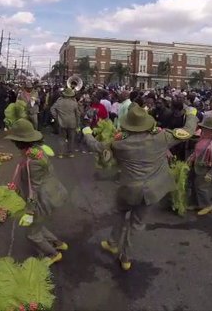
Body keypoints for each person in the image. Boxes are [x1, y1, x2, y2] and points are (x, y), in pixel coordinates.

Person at [82, 104, 197, 271]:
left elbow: (97, 147)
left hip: (128, 189)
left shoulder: (119, 143)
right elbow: (188, 131)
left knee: (120, 212)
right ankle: (126, 258)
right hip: (152, 190)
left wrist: (87, 133)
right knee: (136, 224)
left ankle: (113, 243)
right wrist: (192, 114)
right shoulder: (162, 137)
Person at [6, 119, 69, 265]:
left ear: (17, 142)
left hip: (43, 198)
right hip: (54, 191)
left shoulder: (31, 161)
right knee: (37, 224)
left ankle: (53, 254)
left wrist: (29, 211)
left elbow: (33, 187)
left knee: (32, 234)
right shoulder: (37, 151)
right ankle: (58, 243)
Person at [188, 116, 212, 215]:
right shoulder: (202, 138)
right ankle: (196, 203)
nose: (202, 129)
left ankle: (207, 205)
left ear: (211, 130)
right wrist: (191, 158)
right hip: (196, 166)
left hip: (206, 168)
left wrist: (211, 173)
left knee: (202, 187)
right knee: (195, 185)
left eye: (205, 128)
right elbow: (197, 152)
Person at [50, 87, 80, 158]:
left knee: (62, 138)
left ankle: (61, 153)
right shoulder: (74, 103)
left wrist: (56, 117)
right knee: (71, 139)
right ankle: (70, 153)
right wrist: (78, 124)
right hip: (72, 123)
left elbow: (52, 109)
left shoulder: (59, 102)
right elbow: (78, 114)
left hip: (62, 122)